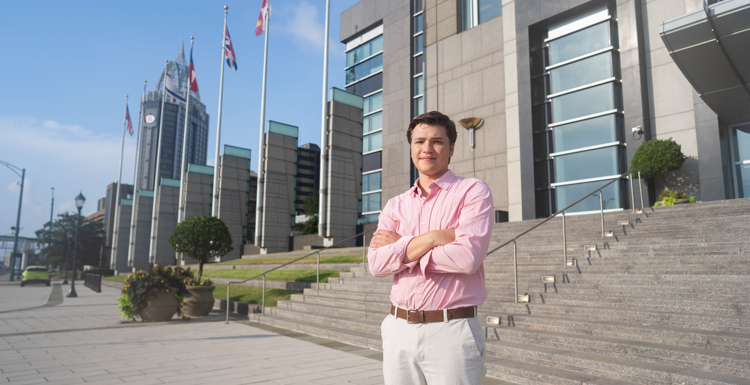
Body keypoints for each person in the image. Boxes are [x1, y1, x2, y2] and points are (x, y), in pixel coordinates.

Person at [368, 111, 494, 385]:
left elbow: (467, 258)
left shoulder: (473, 191)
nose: (427, 148)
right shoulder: (395, 204)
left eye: (437, 141)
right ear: (411, 148)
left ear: (451, 149)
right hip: (398, 328)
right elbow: (377, 265)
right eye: (419, 141)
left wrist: (401, 247)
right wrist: (433, 238)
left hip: (451, 331)